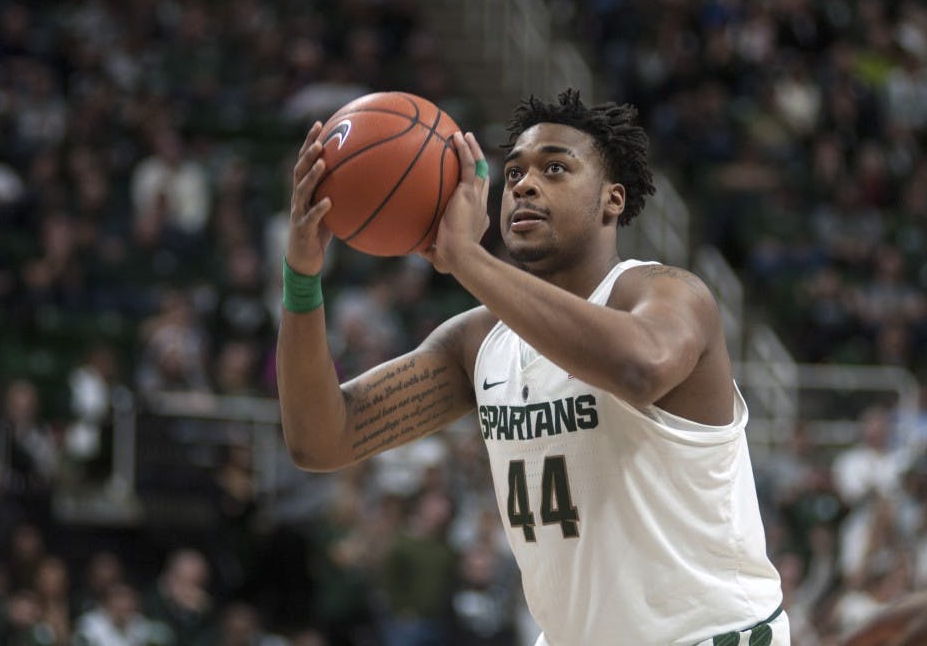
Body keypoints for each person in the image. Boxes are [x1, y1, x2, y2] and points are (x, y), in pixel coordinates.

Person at [277, 90, 787, 645]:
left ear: (611, 200)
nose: (523, 183)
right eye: (514, 171)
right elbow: (320, 440)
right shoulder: (478, 341)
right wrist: (301, 277)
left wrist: (468, 259)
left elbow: (641, 367)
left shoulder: (667, 293)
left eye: (555, 168)